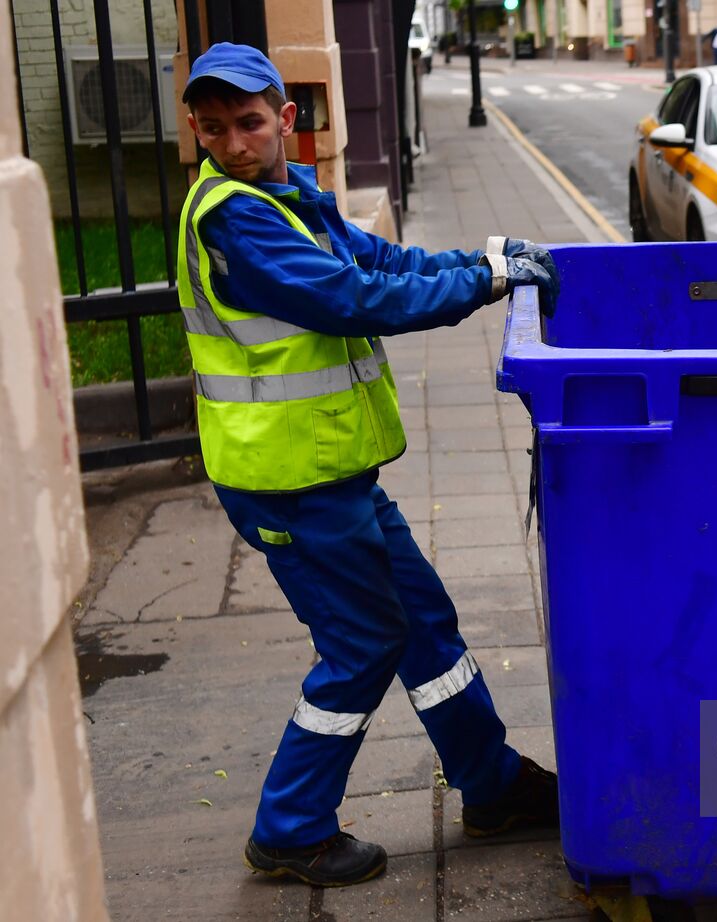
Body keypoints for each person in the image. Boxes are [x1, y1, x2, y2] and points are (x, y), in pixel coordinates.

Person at [177, 43, 562, 888]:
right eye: (214, 129)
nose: (233, 143)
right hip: (288, 482)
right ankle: (290, 828)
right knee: (360, 646)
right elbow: (356, 299)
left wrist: (479, 264)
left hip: (333, 471)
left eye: (248, 123)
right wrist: (485, 284)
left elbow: (379, 261)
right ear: (197, 132)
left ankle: (491, 786)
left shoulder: (287, 197)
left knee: (424, 621)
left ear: (286, 120)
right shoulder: (234, 219)